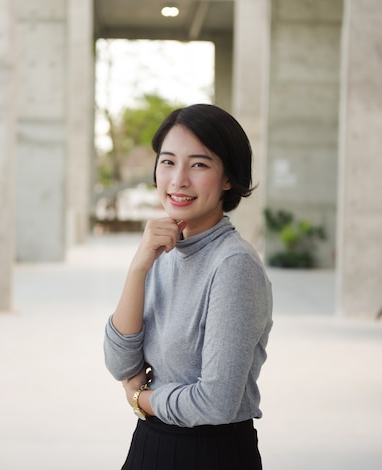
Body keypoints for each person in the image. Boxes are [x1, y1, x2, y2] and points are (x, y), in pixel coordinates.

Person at [103, 103, 273, 470]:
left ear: (229, 178)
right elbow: (119, 362)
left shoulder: (233, 265)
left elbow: (216, 401)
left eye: (199, 164)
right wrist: (138, 267)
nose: (178, 179)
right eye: (168, 162)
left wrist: (142, 400)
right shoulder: (161, 252)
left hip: (210, 455)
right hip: (149, 445)